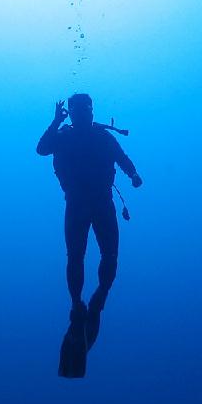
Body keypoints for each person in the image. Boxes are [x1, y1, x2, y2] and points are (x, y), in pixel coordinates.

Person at [37, 93, 142, 374]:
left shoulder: (102, 136)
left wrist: (133, 174)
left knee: (109, 255)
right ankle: (77, 304)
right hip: (78, 204)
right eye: (79, 109)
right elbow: (41, 149)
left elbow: (122, 158)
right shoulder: (62, 135)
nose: (84, 113)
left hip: (102, 203)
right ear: (71, 112)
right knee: (76, 256)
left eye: (87, 109)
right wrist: (54, 122)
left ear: (92, 111)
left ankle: (98, 297)